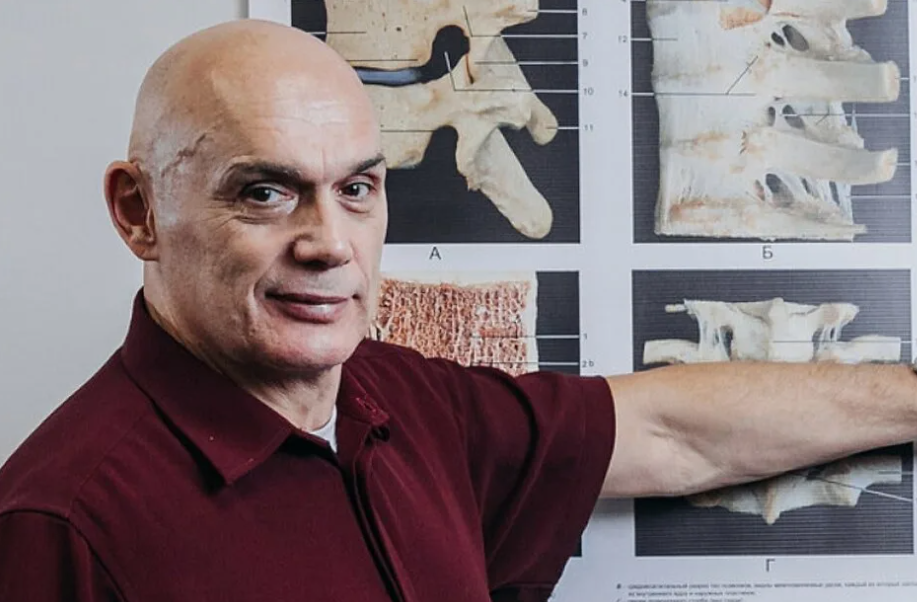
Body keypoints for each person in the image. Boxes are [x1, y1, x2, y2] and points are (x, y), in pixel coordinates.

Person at [1, 19, 916, 602]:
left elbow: (674, 433)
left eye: (356, 188)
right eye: (265, 193)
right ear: (138, 211)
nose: (330, 244)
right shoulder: (59, 528)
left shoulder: (403, 403)